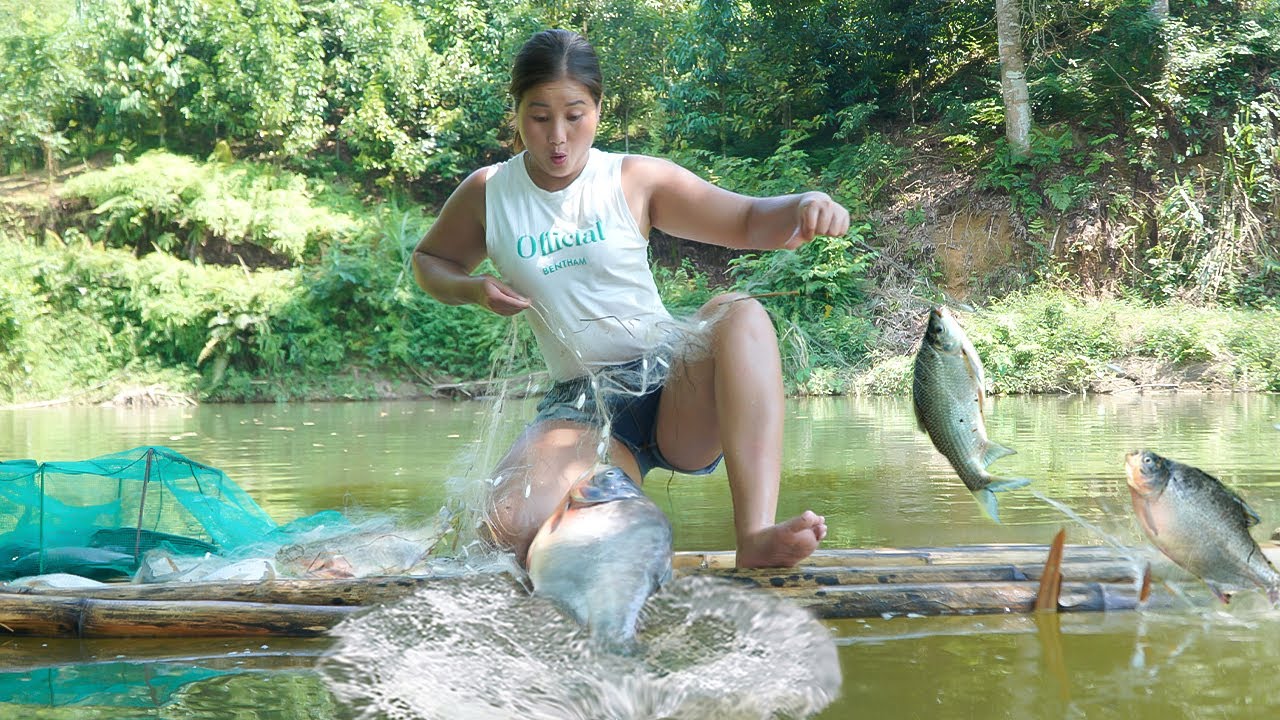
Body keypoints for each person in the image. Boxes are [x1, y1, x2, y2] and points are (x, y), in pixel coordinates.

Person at [412, 29, 849, 569]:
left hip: (673, 387)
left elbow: (747, 217)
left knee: (742, 314)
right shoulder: (490, 192)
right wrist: (471, 290)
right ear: (517, 112)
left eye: (575, 115)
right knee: (500, 538)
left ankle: (755, 536)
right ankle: (607, 513)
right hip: (581, 406)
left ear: (598, 107)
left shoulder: (632, 179)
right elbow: (430, 261)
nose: (558, 137)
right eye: (539, 116)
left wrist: (808, 203)